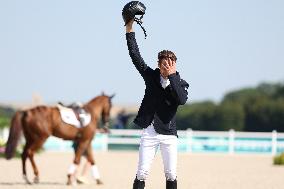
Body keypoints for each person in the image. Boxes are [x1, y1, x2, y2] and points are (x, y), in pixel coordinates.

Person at [125, 19, 189, 189]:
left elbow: (181, 100)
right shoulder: (151, 77)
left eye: (170, 64)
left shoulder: (181, 83)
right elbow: (135, 56)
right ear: (158, 64)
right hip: (149, 132)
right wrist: (129, 28)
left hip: (169, 134)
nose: (166, 67)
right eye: (163, 64)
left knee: (171, 174)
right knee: (142, 172)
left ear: (174, 65)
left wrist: (173, 76)